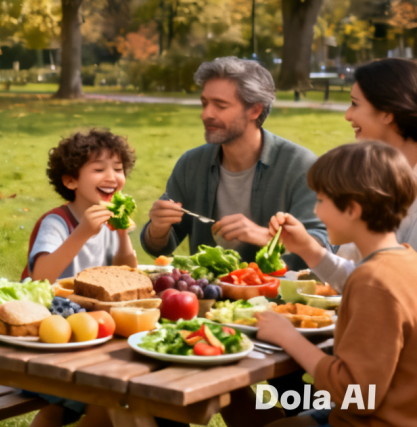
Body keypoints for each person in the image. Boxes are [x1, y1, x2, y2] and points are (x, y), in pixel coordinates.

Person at [258, 141, 417, 427]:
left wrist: (288, 337)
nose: (316, 213)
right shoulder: (405, 261)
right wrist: (307, 247)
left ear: (352, 209)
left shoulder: (374, 282)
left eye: (320, 200)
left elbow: (357, 395)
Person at [140, 57, 328, 269]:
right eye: (204, 104)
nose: (206, 114)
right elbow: (159, 247)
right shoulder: (191, 164)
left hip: (280, 298)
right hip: (207, 296)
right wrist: (157, 228)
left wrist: (265, 236)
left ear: (255, 110)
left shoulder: (300, 165)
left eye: (220, 106)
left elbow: (323, 246)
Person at [25, 129, 136, 427]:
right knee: (104, 394)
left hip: (90, 328)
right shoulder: (57, 222)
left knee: (96, 398)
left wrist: (123, 235)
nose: (112, 176)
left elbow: (127, 274)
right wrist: (83, 232)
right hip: (46, 333)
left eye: (118, 168)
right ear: (71, 180)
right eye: (99, 169)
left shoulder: (109, 220)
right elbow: (41, 277)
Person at [285, 58, 417, 292]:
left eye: (355, 104)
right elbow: (360, 276)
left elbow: (388, 288)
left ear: (387, 112)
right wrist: (307, 248)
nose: (347, 115)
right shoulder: (374, 176)